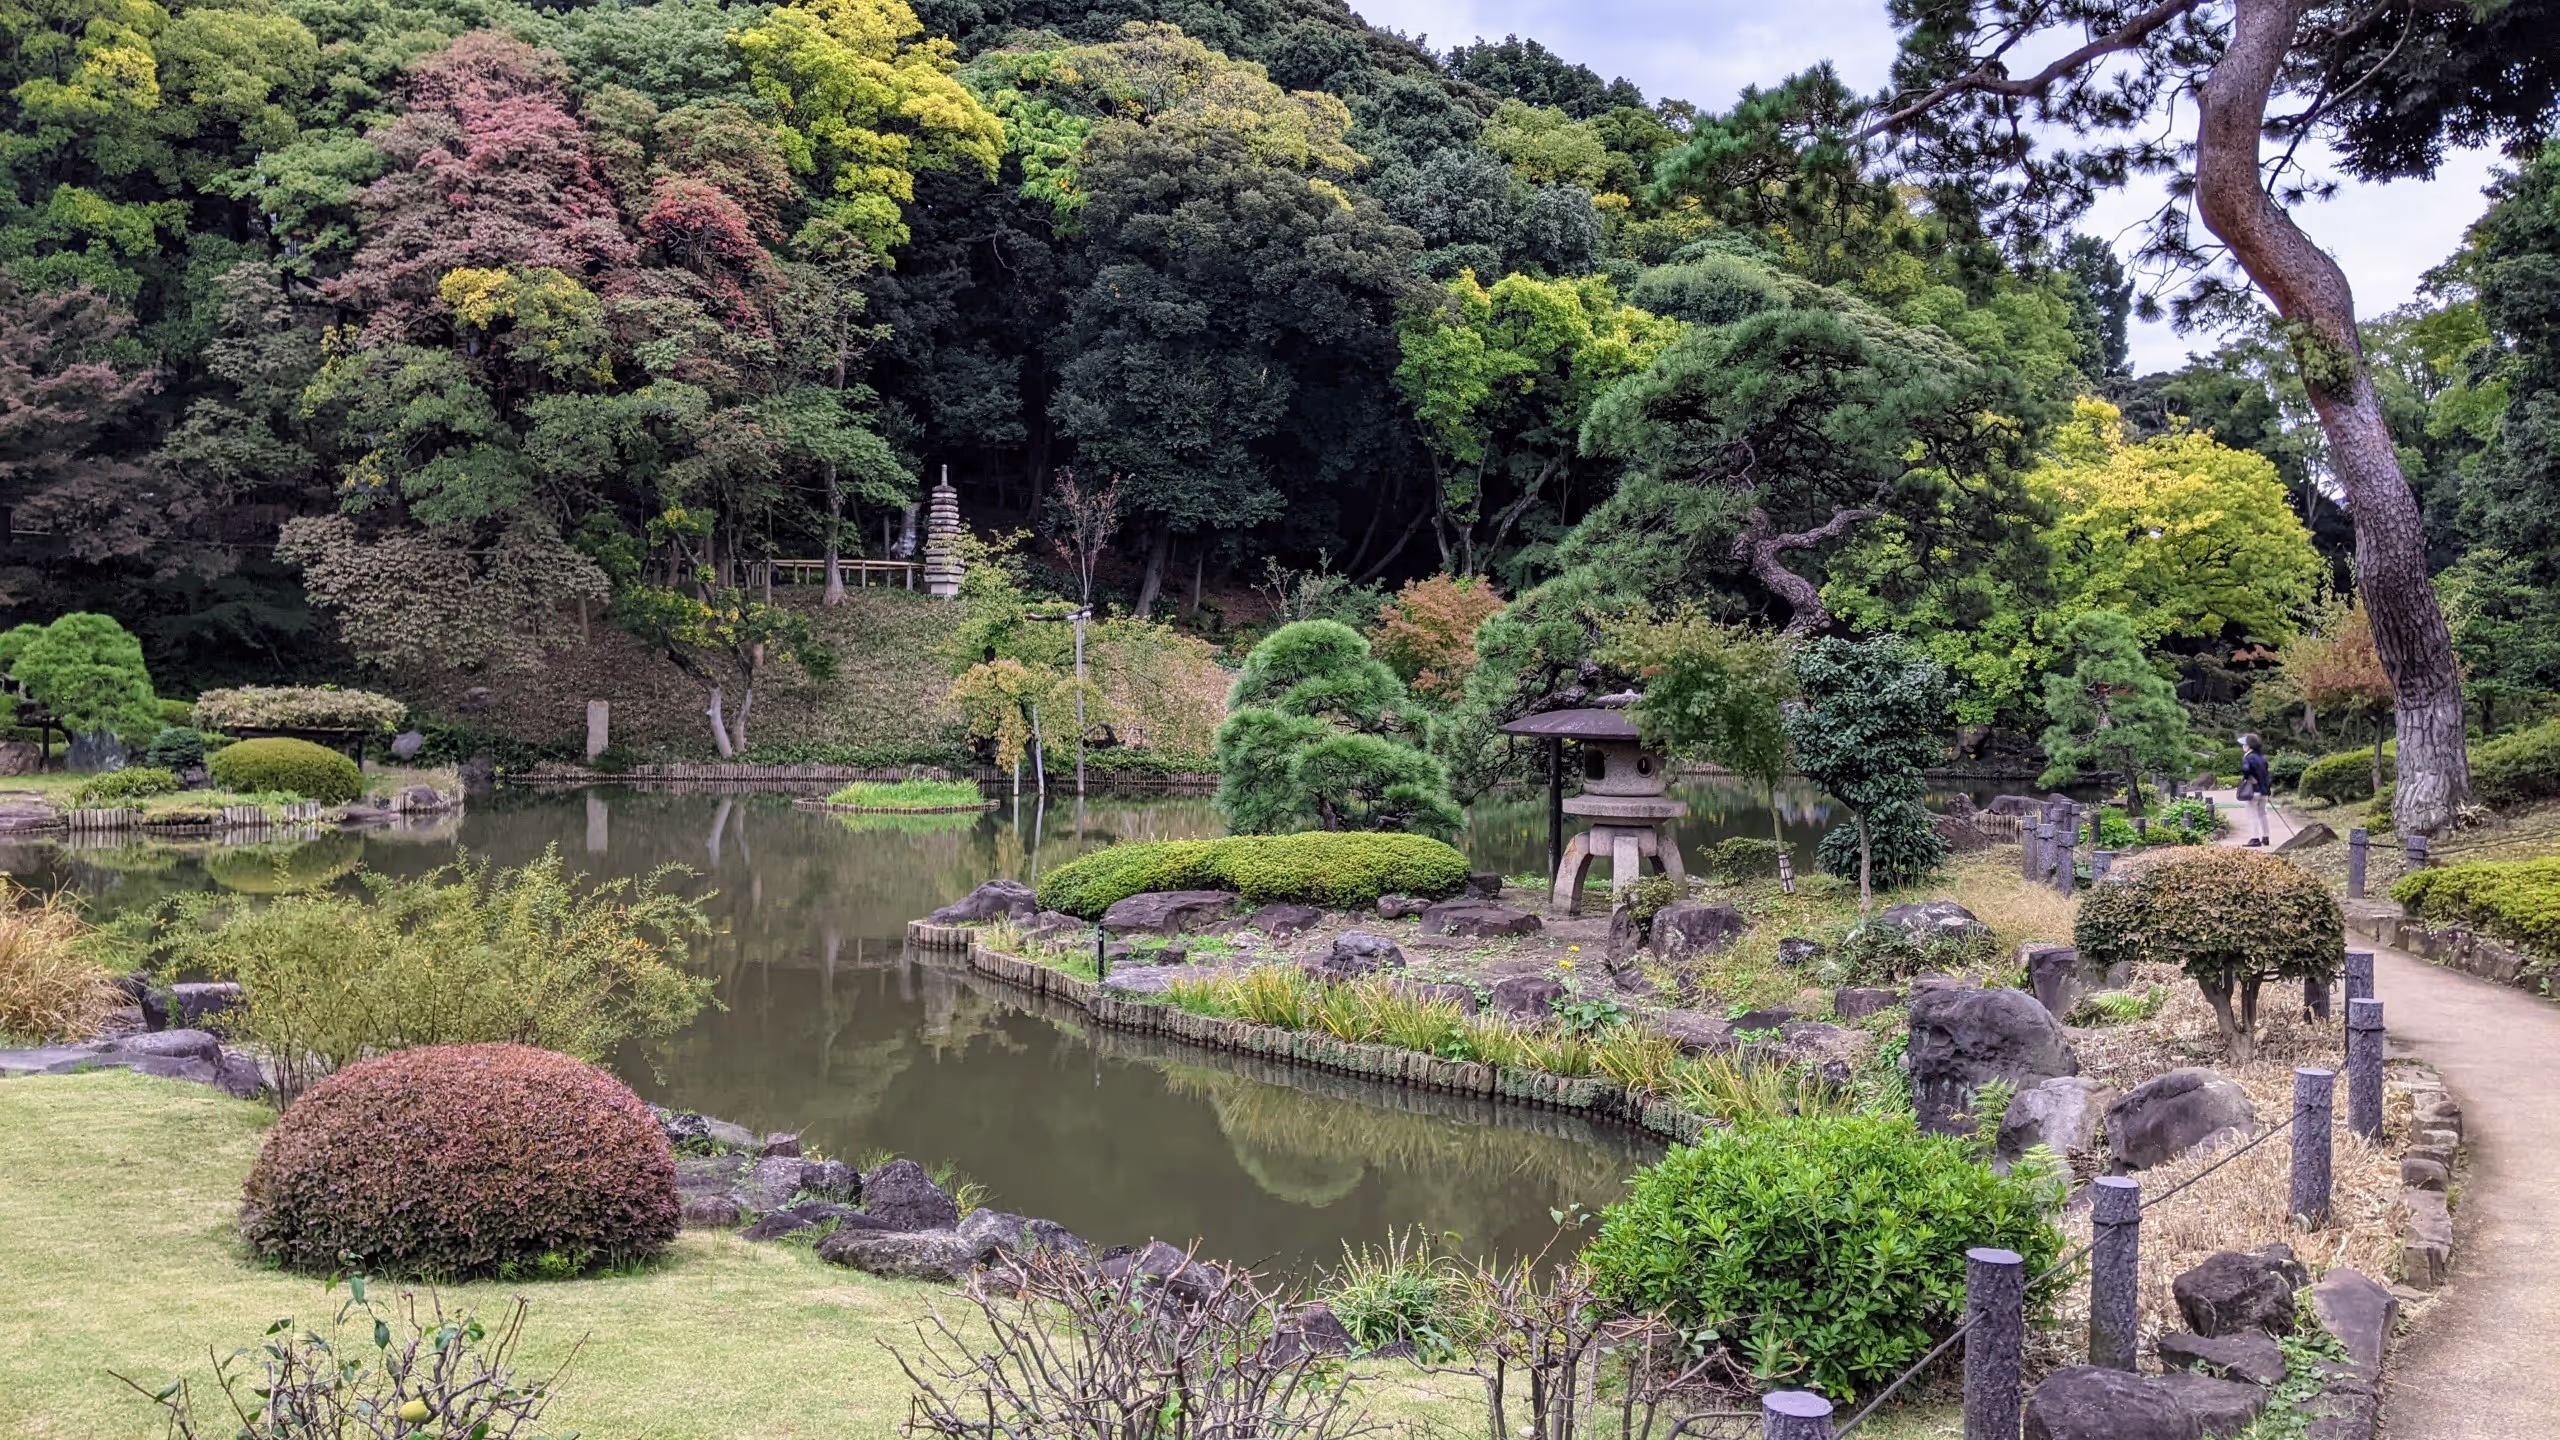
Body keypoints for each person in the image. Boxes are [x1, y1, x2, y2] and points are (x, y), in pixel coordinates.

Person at [2238, 734, 2272, 847]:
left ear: (2249, 746)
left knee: (2252, 814)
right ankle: (2266, 837)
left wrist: (2248, 777)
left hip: (2253, 791)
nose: (2243, 747)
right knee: (2263, 813)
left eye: (2244, 744)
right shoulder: (2262, 758)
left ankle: (2255, 838)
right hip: (2264, 791)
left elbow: (2246, 770)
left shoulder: (2248, 757)